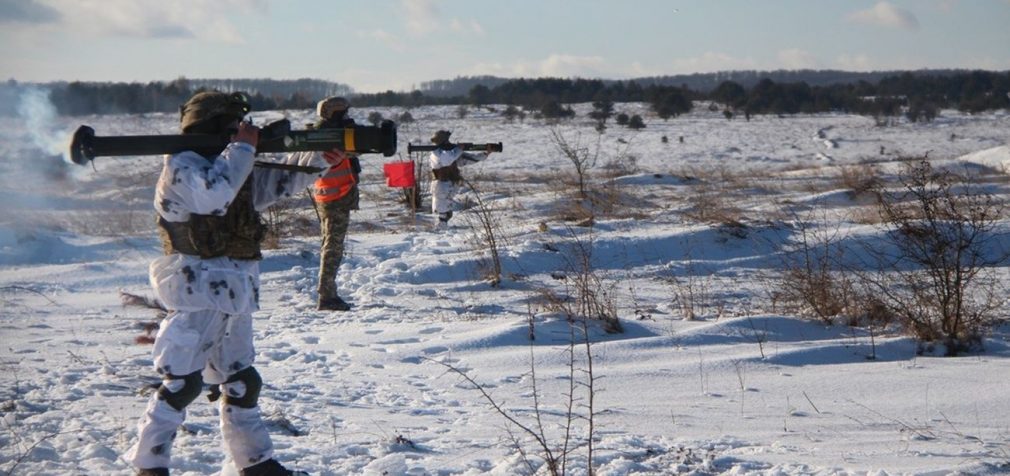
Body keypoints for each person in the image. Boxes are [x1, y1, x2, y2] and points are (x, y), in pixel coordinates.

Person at [127, 91, 326, 476]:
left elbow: (278, 184)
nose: (241, 131)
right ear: (213, 126)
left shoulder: (231, 163)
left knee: (241, 382)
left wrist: (320, 159)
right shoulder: (182, 166)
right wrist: (241, 150)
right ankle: (149, 463)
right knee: (182, 383)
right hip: (197, 287)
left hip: (236, 287)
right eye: (234, 125)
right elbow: (214, 197)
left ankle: (255, 462)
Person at [308, 97, 361, 311]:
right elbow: (352, 152)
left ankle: (327, 292)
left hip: (332, 194)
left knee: (330, 244)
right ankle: (327, 295)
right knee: (333, 247)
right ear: (336, 113)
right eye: (344, 113)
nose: (348, 116)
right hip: (335, 195)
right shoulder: (329, 135)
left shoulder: (327, 132)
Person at [427, 129, 493, 227]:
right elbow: (447, 160)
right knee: (442, 212)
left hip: (449, 185)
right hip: (441, 185)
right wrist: (459, 149)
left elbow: (469, 159)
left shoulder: (452, 152)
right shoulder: (436, 153)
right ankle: (440, 232)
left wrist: (485, 153)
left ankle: (442, 229)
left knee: (447, 212)